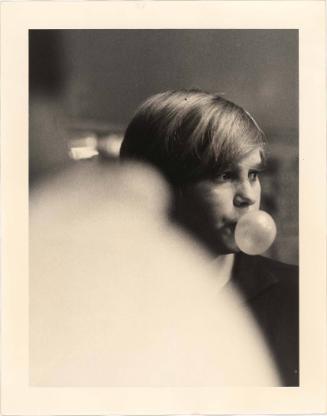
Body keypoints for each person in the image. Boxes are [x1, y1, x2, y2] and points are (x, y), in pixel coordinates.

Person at [120, 89, 299, 386]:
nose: (247, 197)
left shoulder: (302, 296)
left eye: (253, 174)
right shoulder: (107, 302)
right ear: (161, 184)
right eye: (224, 175)